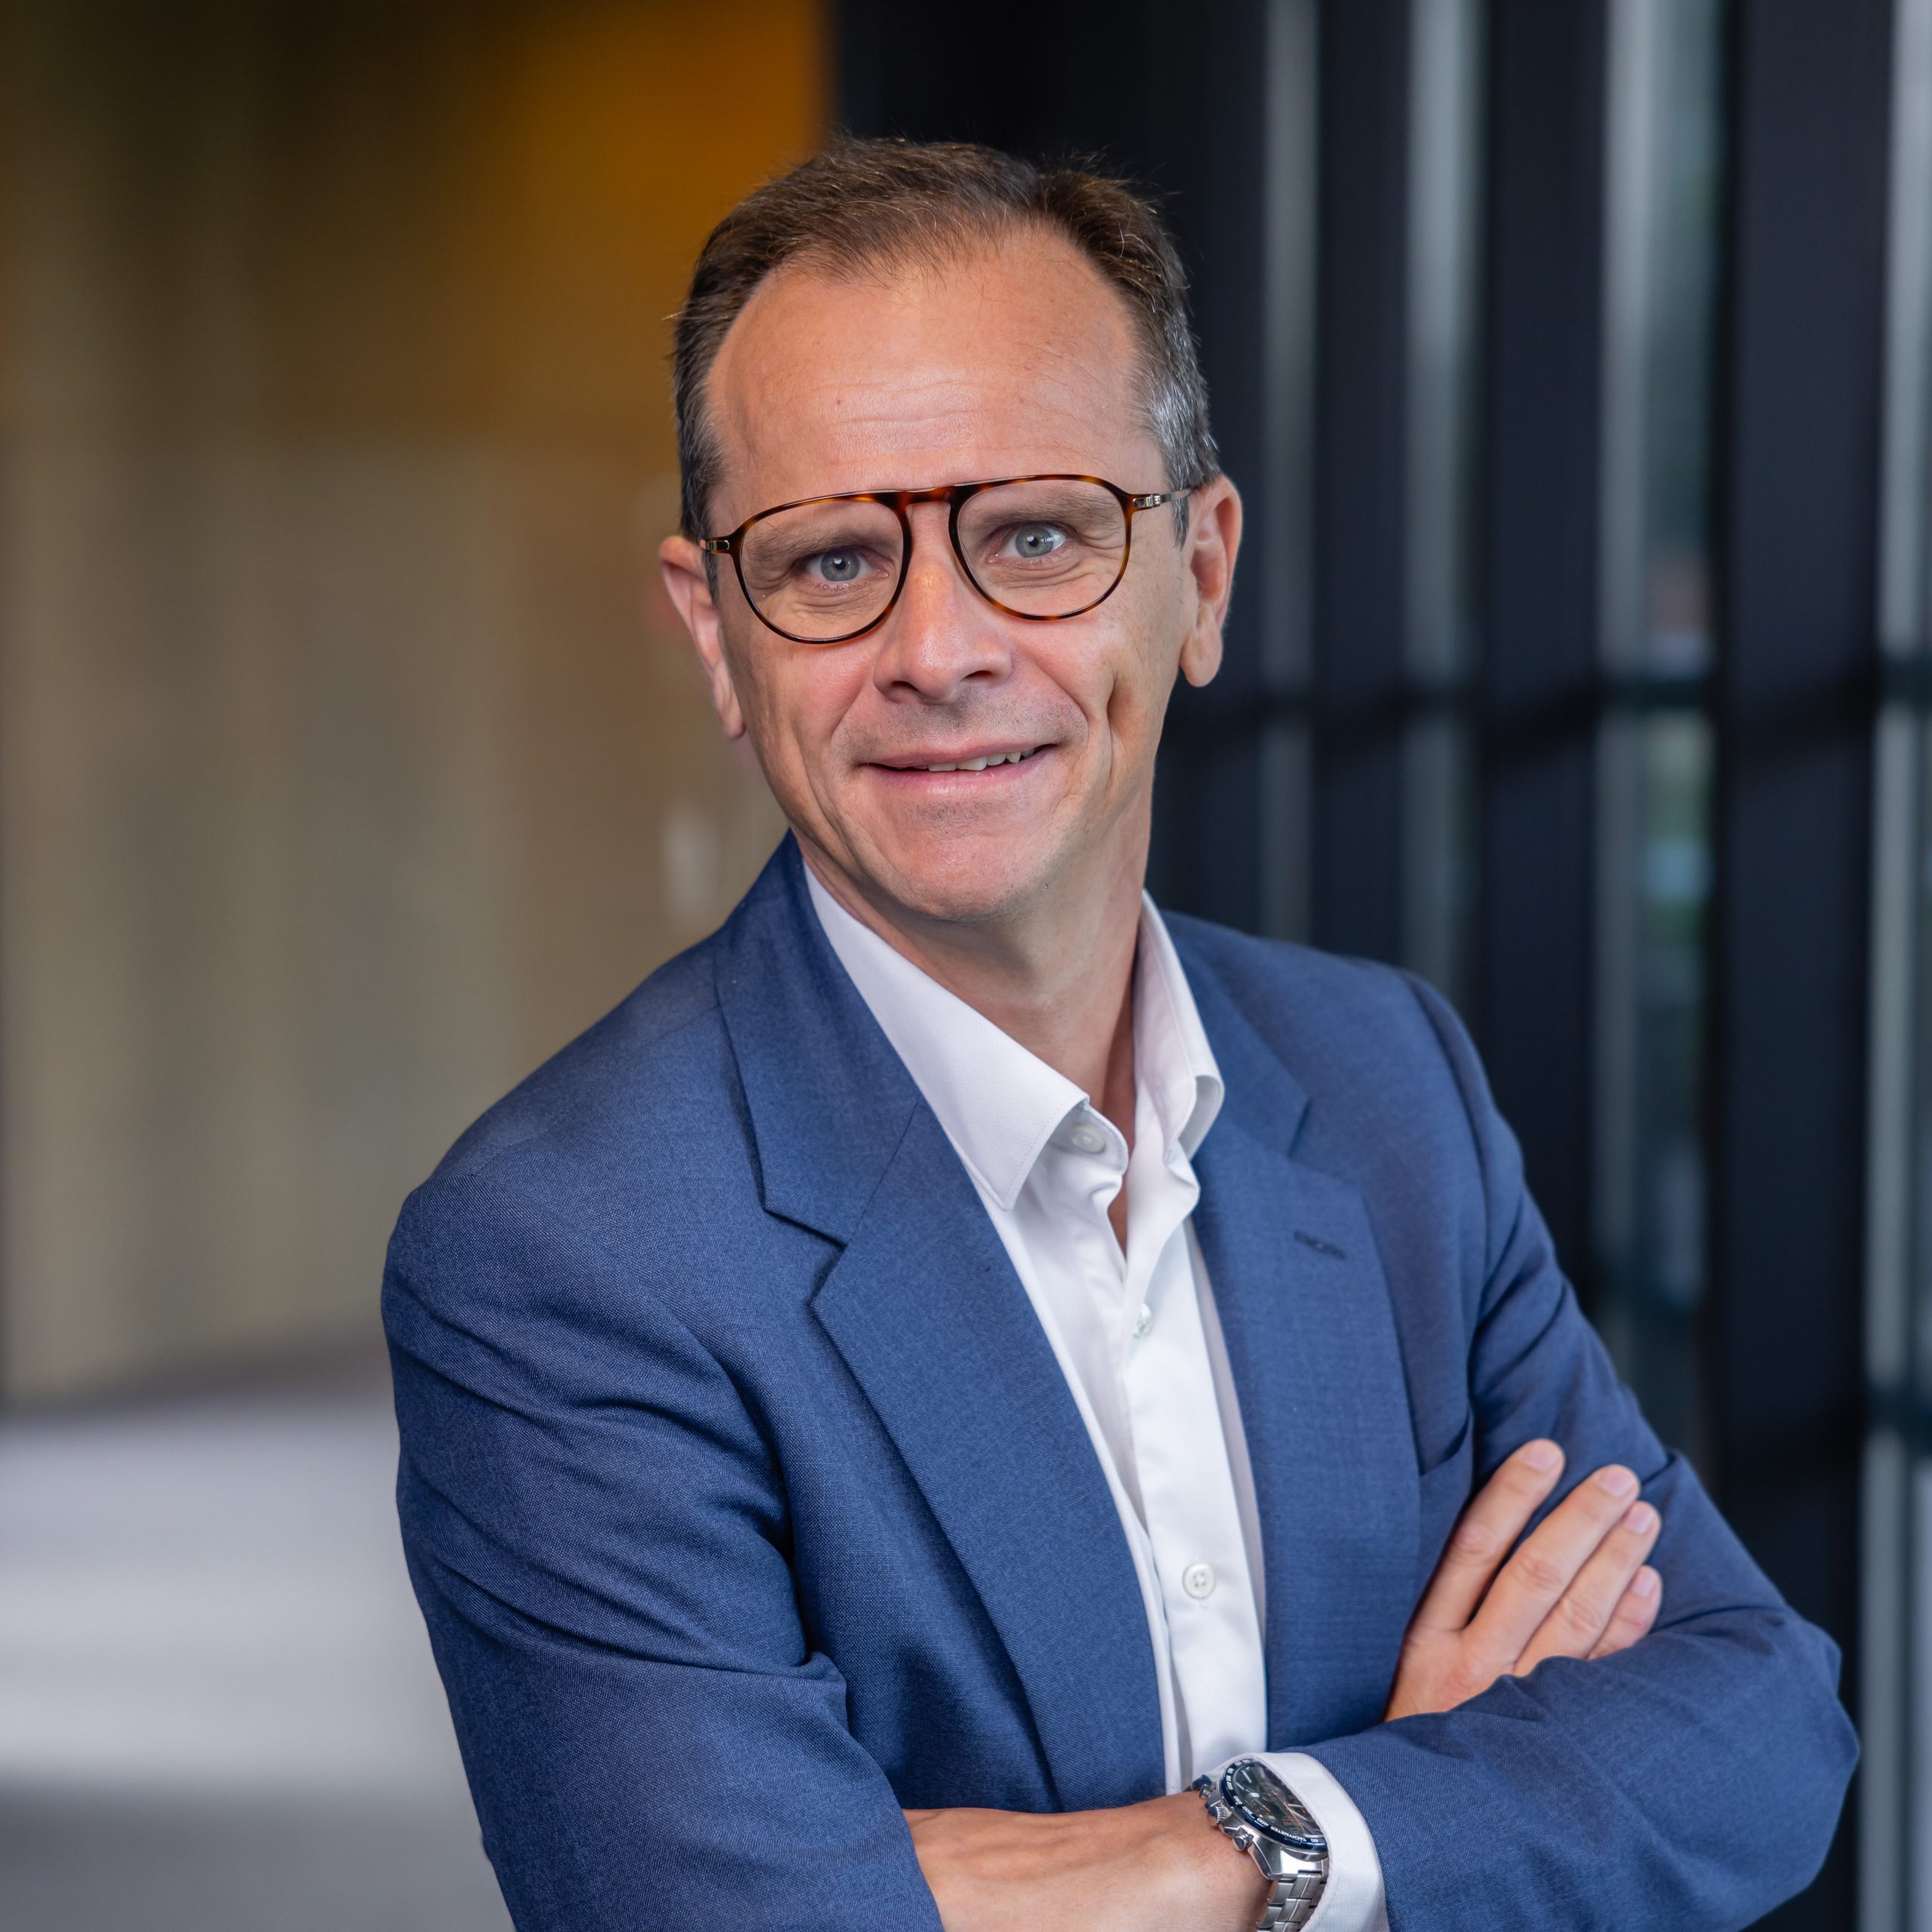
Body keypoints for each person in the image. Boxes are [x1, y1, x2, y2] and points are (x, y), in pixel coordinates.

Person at [383, 140, 1855, 1932]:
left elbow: (1755, 1722)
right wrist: (1439, 1805)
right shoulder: (564, 1248)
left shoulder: (1390, 1082)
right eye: (834, 557)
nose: (937, 646)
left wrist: (1232, 1846)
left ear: (1203, 572)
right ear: (718, 634)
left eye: (1035, 535)